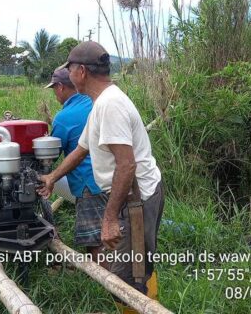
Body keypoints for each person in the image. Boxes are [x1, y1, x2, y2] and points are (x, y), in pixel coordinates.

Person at [38, 41, 164, 310]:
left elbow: (127, 165)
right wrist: (52, 177)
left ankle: (144, 306)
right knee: (135, 267)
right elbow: (82, 149)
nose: (69, 74)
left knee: (129, 277)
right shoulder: (98, 103)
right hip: (130, 196)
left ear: (81, 71)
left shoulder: (110, 105)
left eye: (70, 68)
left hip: (137, 199)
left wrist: (108, 219)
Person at [44, 67, 109, 266]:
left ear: (61, 87)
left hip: (89, 183)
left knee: (95, 241)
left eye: (54, 89)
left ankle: (109, 286)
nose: (55, 94)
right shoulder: (96, 103)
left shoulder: (64, 117)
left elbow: (50, 155)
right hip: (112, 177)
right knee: (114, 229)